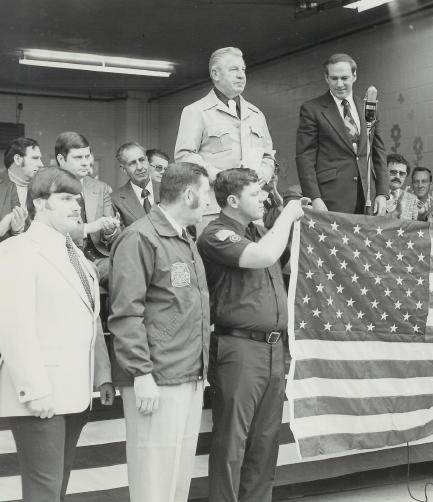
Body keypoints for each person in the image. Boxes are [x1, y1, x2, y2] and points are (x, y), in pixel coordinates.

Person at [0, 166, 113, 502]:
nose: (77, 205)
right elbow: (13, 326)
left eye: (77, 197)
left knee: (57, 488)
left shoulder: (74, 253)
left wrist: (100, 375)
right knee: (43, 491)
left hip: (72, 392)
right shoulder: (17, 250)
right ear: (39, 203)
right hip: (40, 395)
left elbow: (88, 320)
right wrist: (34, 390)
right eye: (65, 198)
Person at [197, 168, 304, 502]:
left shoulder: (259, 231)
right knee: (232, 444)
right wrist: (287, 213)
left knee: (265, 442)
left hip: (273, 349)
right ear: (232, 200)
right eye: (254, 194)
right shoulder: (215, 234)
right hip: (239, 348)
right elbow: (263, 256)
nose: (263, 199)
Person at [109, 162, 211, 502]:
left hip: (188, 374)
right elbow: (126, 313)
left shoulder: (183, 238)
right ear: (189, 194)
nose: (209, 201)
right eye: (206, 192)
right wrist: (141, 374)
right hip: (157, 378)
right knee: (154, 479)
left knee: (177, 477)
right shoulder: (139, 237)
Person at [174, 46, 276, 228]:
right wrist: (221, 177)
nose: (241, 75)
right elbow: (184, 156)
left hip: (253, 210)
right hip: (215, 209)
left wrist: (263, 174)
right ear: (215, 74)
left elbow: (268, 156)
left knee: (255, 256)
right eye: (234, 69)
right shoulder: (196, 111)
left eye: (243, 69)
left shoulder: (256, 114)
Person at [296, 53, 388, 215]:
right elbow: (305, 157)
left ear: (354, 76)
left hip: (369, 196)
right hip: (331, 198)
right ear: (326, 78)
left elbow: (378, 152)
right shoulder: (312, 109)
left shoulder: (369, 107)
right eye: (334, 78)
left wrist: (382, 192)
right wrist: (314, 197)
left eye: (344, 78)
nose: (339, 84)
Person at [55, 132, 120, 284]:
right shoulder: (50, 187)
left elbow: (113, 236)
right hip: (63, 258)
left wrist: (110, 230)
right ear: (61, 159)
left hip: (99, 258)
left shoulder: (100, 187)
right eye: (78, 158)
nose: (86, 163)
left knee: (130, 269)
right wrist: (92, 226)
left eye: (87, 156)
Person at [0, 137, 41, 240]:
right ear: (18, 159)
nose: (41, 164)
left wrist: (16, 230)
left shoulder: (41, 188)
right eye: (35, 158)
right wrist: (15, 231)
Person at [112, 142, 161, 227]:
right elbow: (120, 238)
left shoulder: (167, 189)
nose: (139, 167)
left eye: (142, 160)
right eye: (132, 163)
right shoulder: (115, 200)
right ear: (124, 169)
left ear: (147, 160)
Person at [385, 153, 421, 220]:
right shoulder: (374, 195)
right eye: (393, 172)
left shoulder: (413, 199)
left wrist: (424, 216)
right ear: (383, 172)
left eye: (402, 173)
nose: (397, 177)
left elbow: (416, 227)